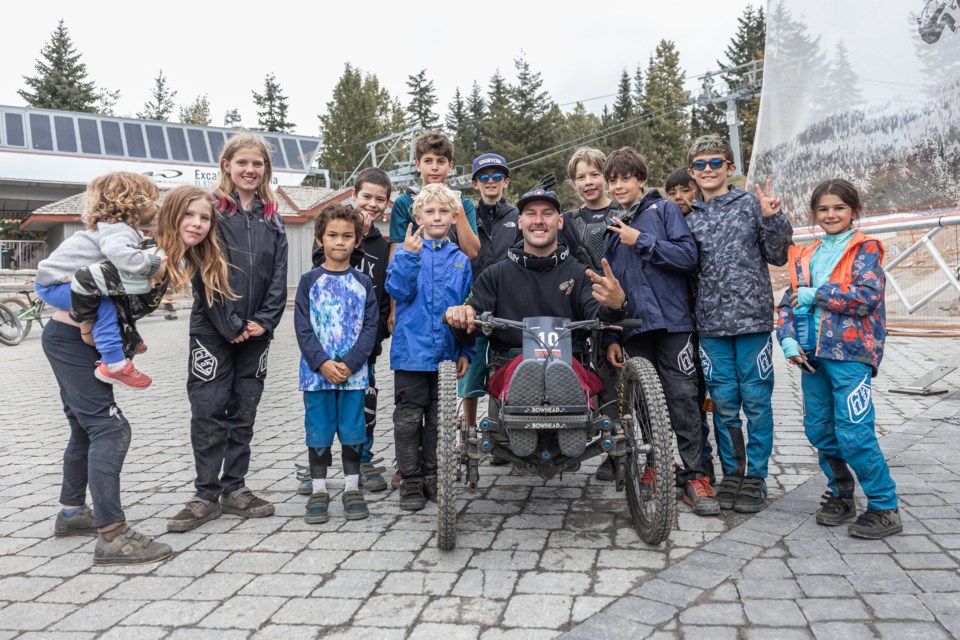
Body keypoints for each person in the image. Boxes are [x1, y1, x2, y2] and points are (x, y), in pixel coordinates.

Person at [168, 133, 288, 532]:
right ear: (226, 165)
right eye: (242, 163)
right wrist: (230, 324)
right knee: (208, 410)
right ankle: (205, 493)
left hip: (256, 333)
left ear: (265, 169)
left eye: (258, 164)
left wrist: (265, 320)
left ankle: (235, 487)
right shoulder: (212, 211)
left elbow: (279, 275)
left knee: (244, 409)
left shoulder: (273, 217)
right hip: (212, 332)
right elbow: (205, 271)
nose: (250, 170)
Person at [776, 179, 900, 539]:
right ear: (815, 215)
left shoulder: (866, 248)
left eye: (839, 208)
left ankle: (884, 506)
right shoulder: (807, 254)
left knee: (854, 431)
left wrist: (818, 294)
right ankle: (841, 494)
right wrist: (786, 340)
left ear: (854, 211)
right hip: (812, 356)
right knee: (819, 429)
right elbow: (789, 302)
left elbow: (865, 297)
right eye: (823, 209)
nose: (831, 214)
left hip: (850, 355)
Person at [600, 148, 718, 516]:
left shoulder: (664, 210)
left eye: (625, 178)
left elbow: (688, 257)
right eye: (613, 180)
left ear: (640, 179)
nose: (619, 185)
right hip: (635, 329)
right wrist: (613, 336)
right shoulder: (611, 227)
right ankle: (655, 465)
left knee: (683, 398)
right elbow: (610, 287)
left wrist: (642, 241)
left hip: (674, 324)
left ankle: (696, 476)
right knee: (644, 404)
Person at [684, 135, 793, 513]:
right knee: (725, 405)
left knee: (758, 403)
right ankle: (733, 474)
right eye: (701, 164)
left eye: (716, 163)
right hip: (711, 328)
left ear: (730, 167)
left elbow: (778, 256)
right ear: (691, 172)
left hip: (753, 323)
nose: (709, 170)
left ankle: (757, 477)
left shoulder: (751, 204)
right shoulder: (689, 218)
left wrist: (772, 218)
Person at [444, 186, 628, 387]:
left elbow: (599, 315)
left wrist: (616, 305)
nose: (539, 220)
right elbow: (470, 328)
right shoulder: (494, 275)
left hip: (570, 373)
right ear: (520, 222)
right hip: (510, 375)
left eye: (547, 214)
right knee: (517, 372)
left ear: (560, 221)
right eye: (531, 214)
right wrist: (461, 317)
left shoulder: (580, 273)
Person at [297, 167, 393, 494]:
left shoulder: (383, 244)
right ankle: (317, 471)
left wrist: (371, 341)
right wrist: (354, 232)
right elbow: (320, 263)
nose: (372, 203)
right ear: (354, 195)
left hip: (364, 345)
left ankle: (362, 460)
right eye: (366, 196)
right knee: (323, 415)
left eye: (380, 199)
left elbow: (383, 295)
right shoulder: (336, 235)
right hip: (326, 347)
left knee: (365, 404)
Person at [67, 185, 236, 367]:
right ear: (170, 216)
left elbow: (120, 303)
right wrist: (86, 332)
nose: (197, 223)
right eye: (188, 214)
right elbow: (84, 278)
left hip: (101, 343)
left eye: (205, 218)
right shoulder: (149, 259)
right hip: (75, 338)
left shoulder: (177, 259)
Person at [386, 184, 475, 511]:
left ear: (454, 217)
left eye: (443, 212)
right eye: (429, 211)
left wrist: (467, 351)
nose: (436, 217)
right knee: (408, 420)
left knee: (439, 423)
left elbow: (469, 308)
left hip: (446, 357)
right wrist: (408, 256)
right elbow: (397, 289)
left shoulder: (461, 261)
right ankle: (410, 480)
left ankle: (433, 475)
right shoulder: (406, 253)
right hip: (410, 355)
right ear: (417, 215)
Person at [34, 172, 166, 389]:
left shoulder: (115, 228)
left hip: (59, 280)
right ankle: (114, 364)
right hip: (56, 283)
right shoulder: (117, 229)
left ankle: (126, 340)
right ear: (133, 203)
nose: (155, 207)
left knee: (110, 299)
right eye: (151, 201)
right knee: (102, 305)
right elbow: (121, 254)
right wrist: (152, 265)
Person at [295, 204, 379, 523]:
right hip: (316, 377)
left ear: (357, 241)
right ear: (320, 239)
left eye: (347, 236)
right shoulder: (308, 281)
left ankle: (351, 488)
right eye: (332, 235)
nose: (339, 242)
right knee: (318, 430)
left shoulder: (363, 283)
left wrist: (350, 363)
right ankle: (318, 490)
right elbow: (303, 328)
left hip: (354, 377)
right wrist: (323, 363)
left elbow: (370, 326)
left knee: (353, 430)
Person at [387, 130, 480, 334]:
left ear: (451, 165)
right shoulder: (404, 203)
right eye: (428, 161)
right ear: (418, 164)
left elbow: (471, 253)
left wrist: (458, 208)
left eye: (441, 161)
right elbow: (396, 254)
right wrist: (393, 309)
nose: (435, 167)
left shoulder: (464, 204)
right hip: (415, 299)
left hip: (450, 293)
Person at [457, 153, 521, 446]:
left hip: (508, 303)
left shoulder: (516, 216)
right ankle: (470, 430)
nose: (491, 182)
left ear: (506, 182)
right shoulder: (467, 214)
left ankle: (500, 430)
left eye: (497, 176)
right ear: (475, 183)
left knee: (503, 365)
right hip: (474, 300)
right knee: (471, 372)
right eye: (484, 177)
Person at [664, 167, 716, 484]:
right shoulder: (665, 225)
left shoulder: (704, 221)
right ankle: (692, 459)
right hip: (679, 322)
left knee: (700, 396)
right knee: (683, 394)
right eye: (672, 193)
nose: (680, 198)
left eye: (686, 190)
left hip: (707, 322)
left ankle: (704, 461)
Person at [560, 148, 617, 270]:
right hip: (586, 287)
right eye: (581, 177)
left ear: (606, 176)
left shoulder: (625, 211)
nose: (588, 182)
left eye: (595, 174)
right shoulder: (568, 221)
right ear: (574, 184)